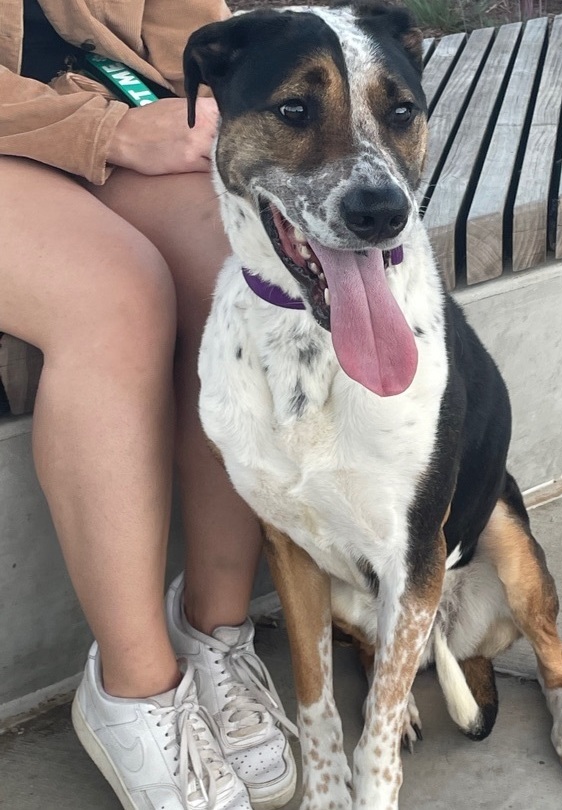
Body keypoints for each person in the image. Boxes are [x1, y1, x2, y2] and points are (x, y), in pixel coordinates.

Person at [0, 1, 297, 808]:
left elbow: (178, 20)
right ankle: (136, 692)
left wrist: (210, 100)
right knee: (113, 299)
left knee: (238, 258)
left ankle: (215, 631)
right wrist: (105, 133)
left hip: (99, 100)